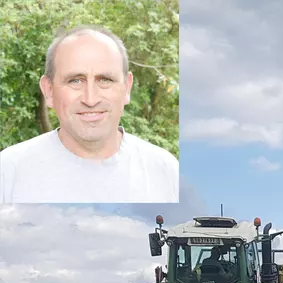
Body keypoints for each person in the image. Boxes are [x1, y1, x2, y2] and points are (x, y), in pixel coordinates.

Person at [0, 25, 178, 204]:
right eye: (75, 81)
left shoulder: (166, 173)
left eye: (105, 80)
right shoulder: (9, 172)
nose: (90, 99)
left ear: (127, 88)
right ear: (49, 91)